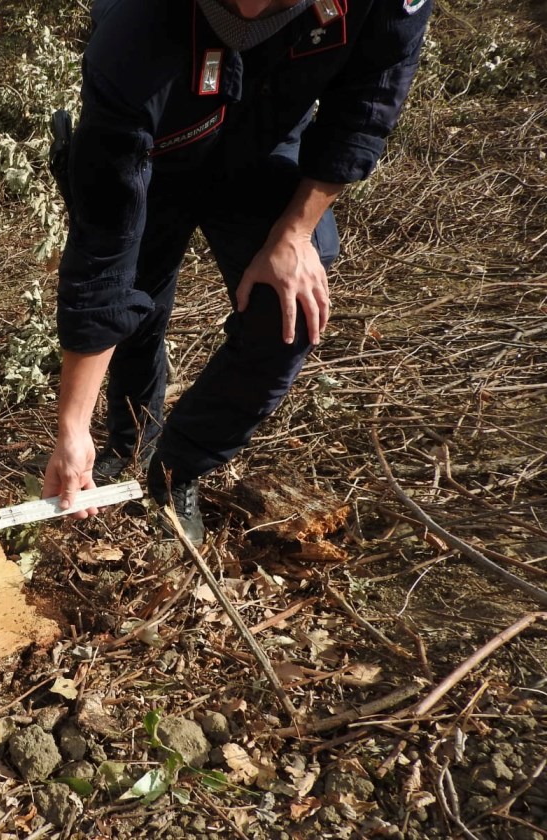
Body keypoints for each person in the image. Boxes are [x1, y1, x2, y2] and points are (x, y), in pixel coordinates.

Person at [41, 0, 433, 545]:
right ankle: (126, 443)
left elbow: (366, 104)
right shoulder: (131, 34)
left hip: (267, 148)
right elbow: (106, 250)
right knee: (138, 309)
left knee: (287, 313)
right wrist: (71, 425)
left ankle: (176, 469)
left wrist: (295, 232)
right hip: (158, 153)